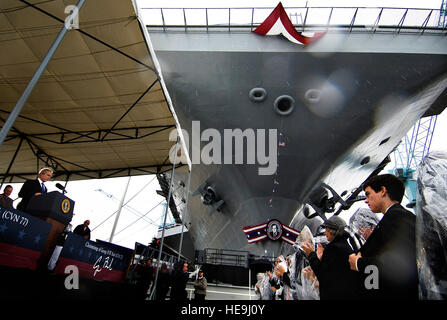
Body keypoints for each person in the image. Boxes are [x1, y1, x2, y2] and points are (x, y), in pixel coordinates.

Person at [348, 174, 418, 300]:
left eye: (368, 194)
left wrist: (358, 263)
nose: (366, 200)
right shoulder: (393, 218)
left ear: (382, 191)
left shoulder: (397, 218)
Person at [302, 215, 360, 300]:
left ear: (333, 231)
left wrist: (311, 254)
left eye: (326, 230)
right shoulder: (345, 246)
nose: (325, 233)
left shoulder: (333, 248)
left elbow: (323, 274)